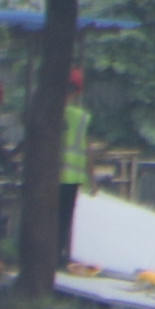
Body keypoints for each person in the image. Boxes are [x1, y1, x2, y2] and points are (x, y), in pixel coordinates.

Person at [58, 66, 91, 268]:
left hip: (55, 175)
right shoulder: (81, 117)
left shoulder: (52, 113)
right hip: (73, 178)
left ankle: (52, 257)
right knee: (63, 221)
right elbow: (87, 149)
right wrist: (92, 180)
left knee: (52, 220)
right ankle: (58, 257)